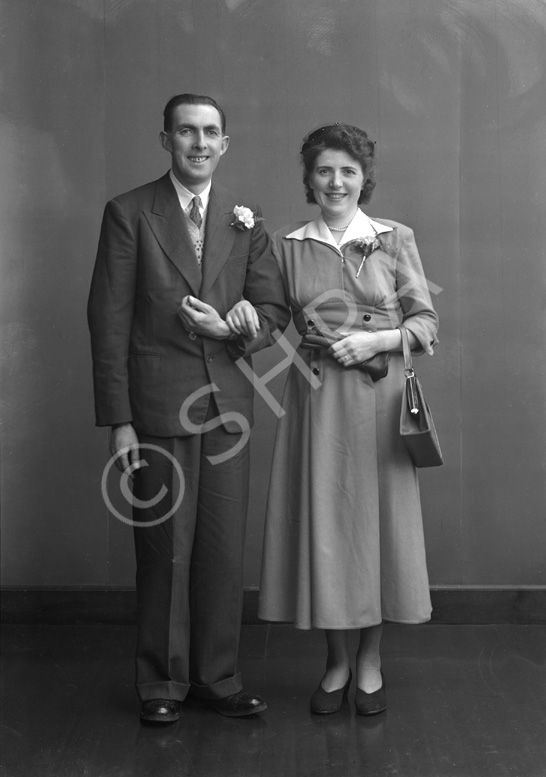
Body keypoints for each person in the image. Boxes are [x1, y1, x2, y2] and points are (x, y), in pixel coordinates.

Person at [88, 93, 289, 723]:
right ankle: (161, 685)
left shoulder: (244, 219)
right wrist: (119, 419)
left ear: (225, 143)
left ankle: (216, 678)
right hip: (155, 406)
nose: (199, 143)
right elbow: (108, 319)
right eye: (186, 132)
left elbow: (276, 313)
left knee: (222, 550)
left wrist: (236, 332)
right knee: (164, 551)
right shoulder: (129, 212)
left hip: (228, 406)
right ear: (166, 140)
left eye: (210, 133)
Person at [258, 123, 439, 716]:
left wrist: (378, 341)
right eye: (324, 171)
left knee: (377, 529)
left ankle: (370, 662)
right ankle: (336, 661)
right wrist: (229, 321)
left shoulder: (394, 238)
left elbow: (425, 324)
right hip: (317, 403)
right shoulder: (285, 245)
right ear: (309, 179)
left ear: (365, 179)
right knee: (331, 527)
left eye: (348, 171)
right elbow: (267, 323)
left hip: (381, 405)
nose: (336, 182)